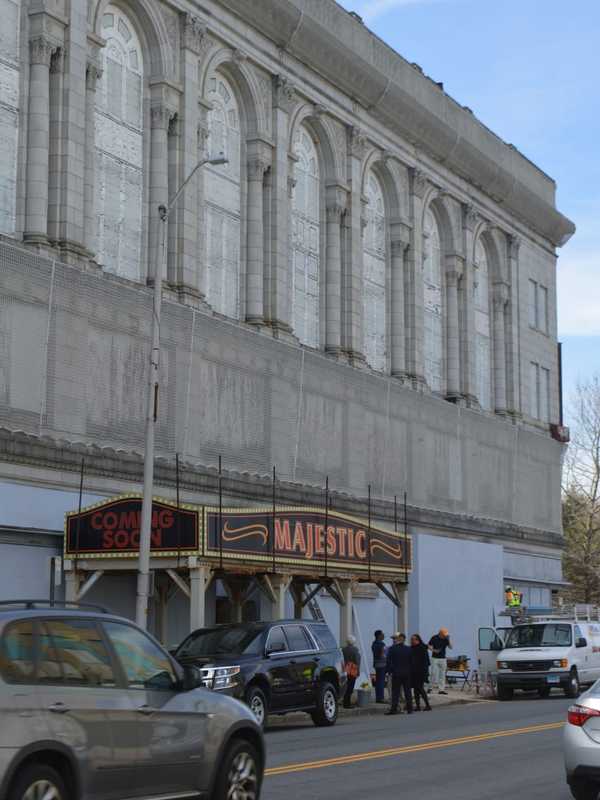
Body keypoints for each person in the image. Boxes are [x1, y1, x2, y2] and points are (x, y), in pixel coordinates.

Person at [385, 632, 413, 715]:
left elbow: (389, 661)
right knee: (407, 691)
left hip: (396, 673)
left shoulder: (392, 649)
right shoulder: (408, 649)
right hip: (407, 673)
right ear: (404, 639)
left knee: (395, 692)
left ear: (398, 639)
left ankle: (394, 709)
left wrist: (390, 671)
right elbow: (411, 662)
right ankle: (409, 709)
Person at [410, 634, 431, 711]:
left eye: (413, 639)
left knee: (420, 688)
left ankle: (427, 705)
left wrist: (425, 672)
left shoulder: (422, 648)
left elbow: (426, 662)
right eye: (411, 639)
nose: (411, 641)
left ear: (418, 640)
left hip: (421, 672)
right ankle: (418, 706)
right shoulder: (411, 648)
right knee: (415, 690)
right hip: (413, 672)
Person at [428, 628, 452, 694]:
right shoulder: (434, 637)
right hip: (434, 658)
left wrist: (448, 639)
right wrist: (433, 650)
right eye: (444, 634)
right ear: (440, 633)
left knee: (442, 674)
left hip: (443, 658)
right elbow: (429, 645)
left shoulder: (446, 639)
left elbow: (450, 647)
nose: (445, 636)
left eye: (446, 635)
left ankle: (441, 689)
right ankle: (430, 687)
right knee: (433, 673)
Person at [342, 635, 361, 708]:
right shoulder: (355, 650)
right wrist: (358, 671)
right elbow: (357, 661)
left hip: (345, 669)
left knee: (346, 686)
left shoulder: (343, 649)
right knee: (350, 687)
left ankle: (345, 702)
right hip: (352, 669)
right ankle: (347, 704)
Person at [371, 629, 387, 703]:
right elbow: (384, 655)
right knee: (381, 681)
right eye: (382, 634)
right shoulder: (382, 644)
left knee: (378, 681)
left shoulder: (374, 643)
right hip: (382, 664)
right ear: (379, 636)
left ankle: (378, 697)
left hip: (376, 664)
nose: (383, 635)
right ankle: (381, 698)